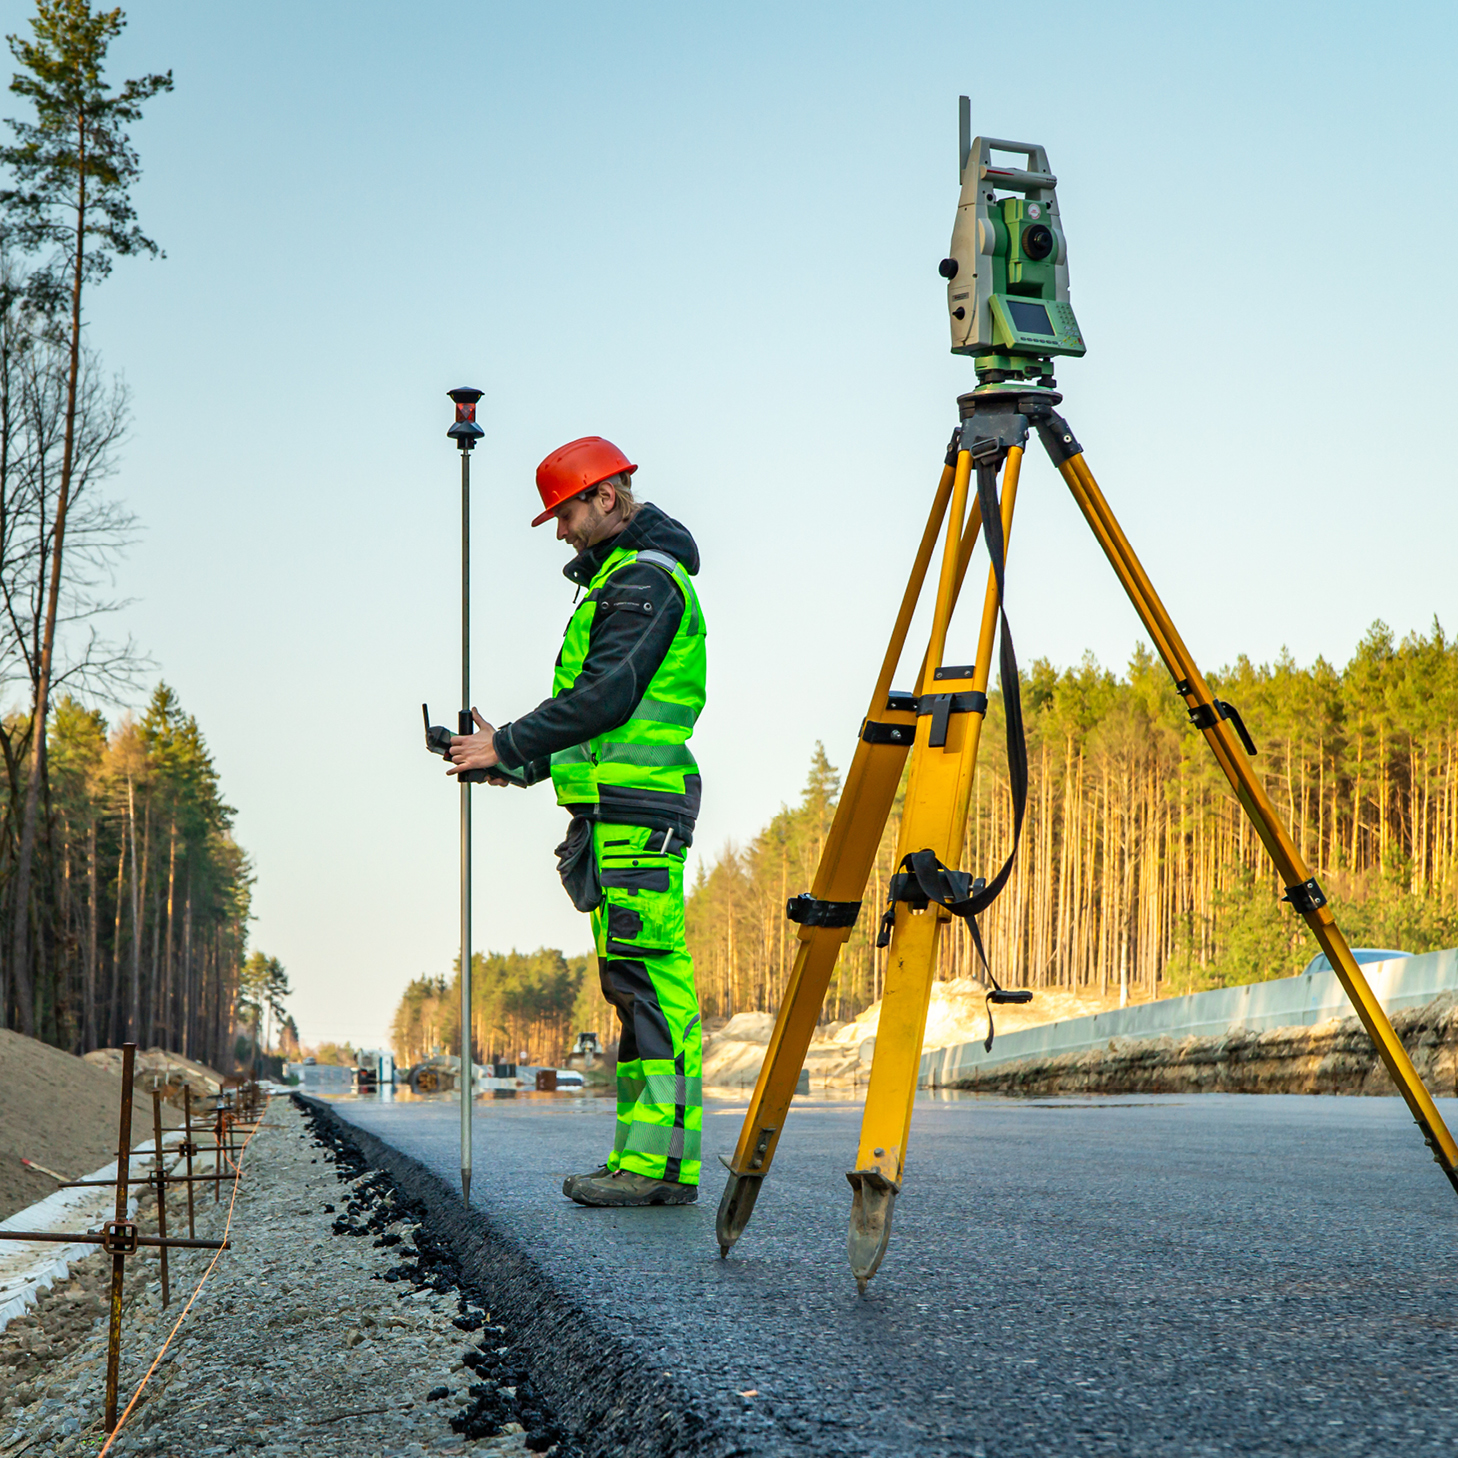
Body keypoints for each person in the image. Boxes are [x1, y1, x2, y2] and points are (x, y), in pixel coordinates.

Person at [445, 436, 707, 1208]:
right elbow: (593, 718)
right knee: (633, 986)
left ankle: (661, 1170)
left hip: (638, 811)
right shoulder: (619, 582)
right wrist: (514, 762)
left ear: (605, 498)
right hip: (615, 810)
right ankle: (642, 1161)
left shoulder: (642, 581)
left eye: (564, 515)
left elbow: (607, 696)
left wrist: (510, 742)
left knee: (653, 984)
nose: (560, 532)